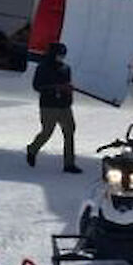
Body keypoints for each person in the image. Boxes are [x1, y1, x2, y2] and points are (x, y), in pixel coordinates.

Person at [26, 42, 80, 173]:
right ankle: (32, 149)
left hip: (64, 106)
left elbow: (67, 84)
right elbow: (37, 86)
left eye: (63, 55)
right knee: (47, 131)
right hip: (48, 105)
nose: (61, 58)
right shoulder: (42, 68)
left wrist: (68, 94)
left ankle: (69, 163)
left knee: (69, 131)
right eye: (59, 55)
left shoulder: (66, 68)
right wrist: (55, 87)